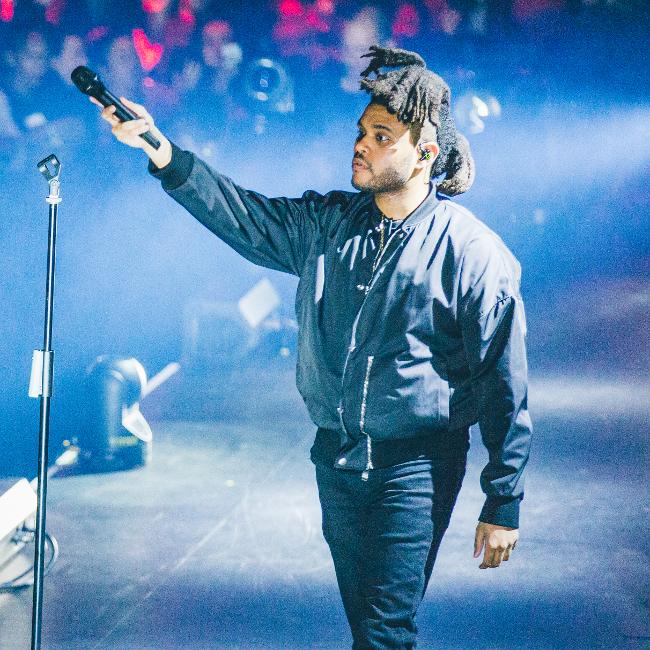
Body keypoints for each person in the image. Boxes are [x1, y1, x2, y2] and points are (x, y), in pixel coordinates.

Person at [93, 45, 532, 650]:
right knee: (368, 629)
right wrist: (160, 150)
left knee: (384, 632)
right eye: (362, 132)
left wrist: (503, 498)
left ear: (425, 154)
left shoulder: (472, 253)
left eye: (382, 136)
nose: (362, 145)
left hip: (416, 467)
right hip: (337, 459)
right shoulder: (328, 224)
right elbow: (243, 215)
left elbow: (503, 381)